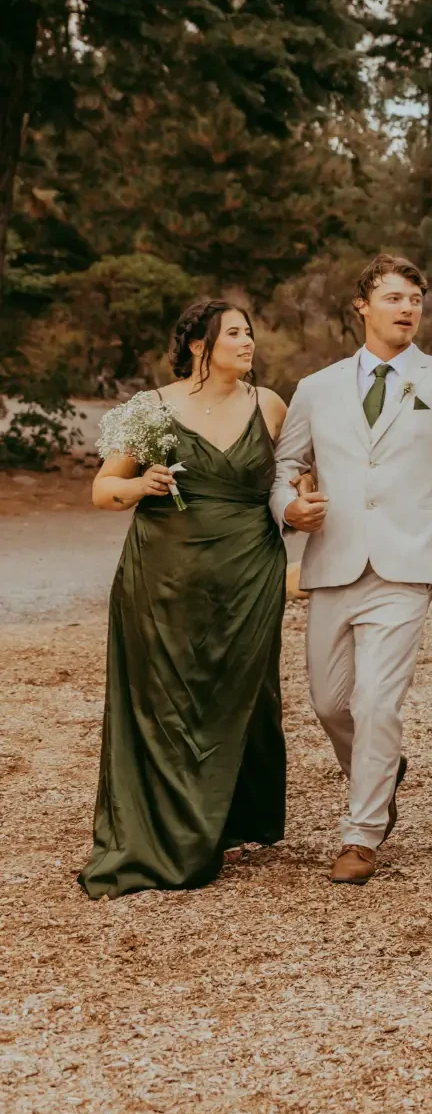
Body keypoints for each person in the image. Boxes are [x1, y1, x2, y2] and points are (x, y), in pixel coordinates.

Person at [272, 254, 432, 886]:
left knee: (378, 699)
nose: (407, 309)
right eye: (394, 298)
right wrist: (291, 508)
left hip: (409, 564)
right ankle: (382, 768)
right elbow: (284, 463)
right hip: (332, 561)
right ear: (363, 305)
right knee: (329, 702)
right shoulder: (317, 387)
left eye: (415, 300)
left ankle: (362, 833)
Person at [82, 301, 292, 897]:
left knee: (237, 690)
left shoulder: (269, 405)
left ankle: (226, 818)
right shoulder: (149, 408)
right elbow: (102, 489)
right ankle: (163, 831)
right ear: (200, 344)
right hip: (163, 575)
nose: (248, 341)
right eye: (234, 333)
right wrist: (139, 484)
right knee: (166, 699)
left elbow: (290, 480)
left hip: (249, 574)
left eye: (250, 331)